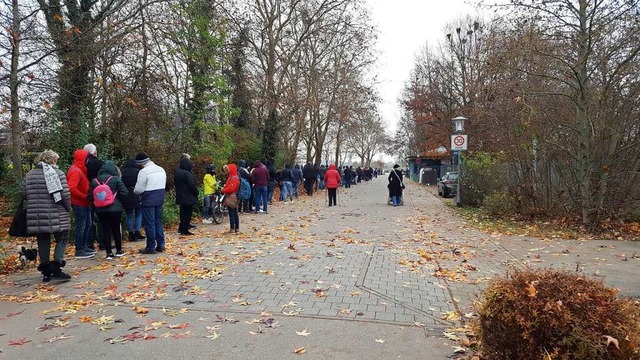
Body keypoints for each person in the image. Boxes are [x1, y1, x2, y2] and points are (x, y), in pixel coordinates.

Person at [21, 150, 72, 282]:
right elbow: (65, 195)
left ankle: (46, 271)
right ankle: (57, 265)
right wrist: (68, 208)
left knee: (43, 239)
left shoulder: (30, 175)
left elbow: (24, 194)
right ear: (53, 160)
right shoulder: (58, 173)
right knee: (62, 237)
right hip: (57, 212)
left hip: (37, 214)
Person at [88, 161, 128, 260]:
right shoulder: (116, 179)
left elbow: (89, 196)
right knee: (116, 229)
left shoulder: (94, 181)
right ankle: (119, 250)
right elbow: (125, 193)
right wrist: (119, 201)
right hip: (115, 209)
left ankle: (108, 253)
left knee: (106, 230)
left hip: (101, 210)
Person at [134, 152, 167, 254]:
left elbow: (139, 189)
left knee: (150, 224)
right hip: (160, 199)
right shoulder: (161, 169)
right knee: (158, 222)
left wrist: (134, 191)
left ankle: (150, 246)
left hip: (148, 200)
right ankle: (161, 244)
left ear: (141, 163)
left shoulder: (143, 172)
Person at [67, 149, 95, 259]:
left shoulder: (79, 169)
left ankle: (83, 246)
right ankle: (80, 249)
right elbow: (72, 187)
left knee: (87, 224)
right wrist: (83, 195)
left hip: (84, 202)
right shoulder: (76, 171)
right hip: (79, 203)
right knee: (82, 226)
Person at [84, 143, 105, 250]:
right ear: (95, 152)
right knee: (102, 219)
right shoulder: (100, 163)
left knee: (89, 220)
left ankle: (89, 243)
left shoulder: (83, 164)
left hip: (87, 194)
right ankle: (103, 242)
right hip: (100, 194)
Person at [121, 158, 145, 241]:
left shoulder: (123, 172)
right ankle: (137, 231)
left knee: (129, 215)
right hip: (137, 194)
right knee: (139, 213)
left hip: (127, 195)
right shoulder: (138, 172)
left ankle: (130, 233)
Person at [174, 154, 198, 236]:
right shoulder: (187, 173)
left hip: (180, 195)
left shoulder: (178, 172)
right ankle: (185, 229)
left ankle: (181, 228)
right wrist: (196, 192)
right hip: (188, 196)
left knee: (183, 212)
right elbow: (192, 185)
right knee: (187, 213)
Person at [221, 164, 240, 233]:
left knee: (232, 213)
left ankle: (233, 228)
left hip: (232, 197)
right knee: (234, 212)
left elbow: (231, 189)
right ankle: (236, 227)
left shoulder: (233, 178)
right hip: (233, 196)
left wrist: (223, 190)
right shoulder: (234, 177)